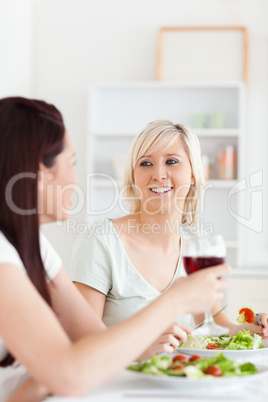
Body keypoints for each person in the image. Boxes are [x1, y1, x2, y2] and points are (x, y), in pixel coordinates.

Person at [0, 99, 230, 401]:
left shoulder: (35, 248)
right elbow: (70, 372)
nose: (75, 179)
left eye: (171, 161)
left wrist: (142, 351)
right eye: (72, 163)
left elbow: (89, 347)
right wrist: (174, 301)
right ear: (40, 173)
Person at [70, 120, 268, 346]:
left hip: (184, 377)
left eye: (171, 161)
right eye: (145, 163)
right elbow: (82, 340)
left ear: (193, 174)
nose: (158, 174)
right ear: (134, 177)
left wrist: (249, 330)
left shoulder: (200, 246)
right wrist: (141, 346)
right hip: (121, 380)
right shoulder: (100, 242)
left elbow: (212, 323)